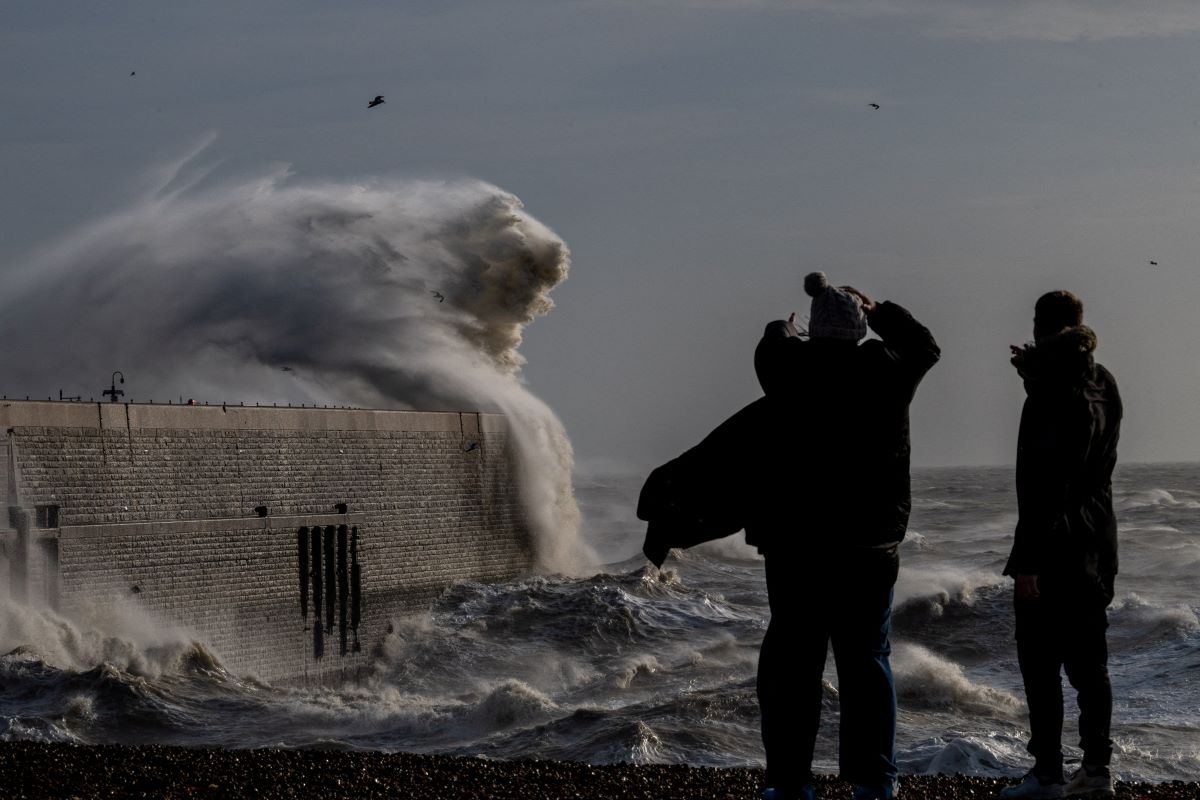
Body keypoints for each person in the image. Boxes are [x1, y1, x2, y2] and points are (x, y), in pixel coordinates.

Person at [751, 272, 940, 800]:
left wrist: (783, 328)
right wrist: (877, 308)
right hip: (869, 547)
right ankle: (875, 782)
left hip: (797, 547)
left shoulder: (787, 368)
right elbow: (925, 345)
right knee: (866, 663)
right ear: (859, 331)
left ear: (814, 331)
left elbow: (771, 345)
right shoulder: (888, 369)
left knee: (793, 664)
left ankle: (790, 783)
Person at [999, 291, 1122, 799]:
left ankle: (1047, 773)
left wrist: (1026, 562)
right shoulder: (1101, 381)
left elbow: (1044, 483)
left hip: (1053, 546)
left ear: (1040, 329)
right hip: (1097, 541)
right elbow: (1086, 447)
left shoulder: (1050, 395)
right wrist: (1036, 374)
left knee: (1041, 665)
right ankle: (1096, 771)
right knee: (1091, 666)